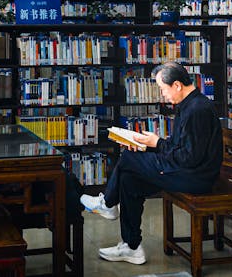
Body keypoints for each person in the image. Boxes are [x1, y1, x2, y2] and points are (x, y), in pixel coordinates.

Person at [80, 61, 223, 265]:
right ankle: (131, 247)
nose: (162, 94)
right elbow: (178, 147)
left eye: (162, 89)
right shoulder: (188, 105)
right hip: (185, 170)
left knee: (129, 158)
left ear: (177, 85)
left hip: (195, 177)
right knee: (129, 180)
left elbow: (190, 158)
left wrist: (156, 144)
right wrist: (153, 144)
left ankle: (107, 203)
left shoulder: (197, 110)